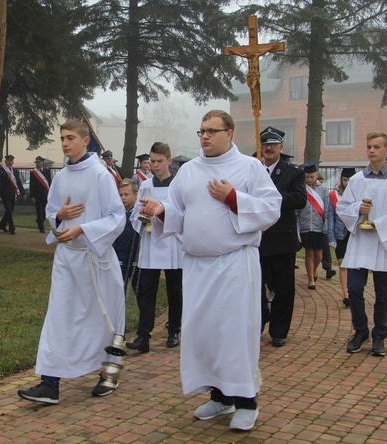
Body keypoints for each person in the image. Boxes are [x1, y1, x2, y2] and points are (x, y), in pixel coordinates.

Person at [139, 110, 281, 432]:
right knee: (203, 333)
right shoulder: (189, 171)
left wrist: (233, 198)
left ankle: (246, 400)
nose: (205, 136)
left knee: (233, 333)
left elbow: (272, 208)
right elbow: (177, 209)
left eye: (212, 131)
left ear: (230, 133)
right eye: (201, 131)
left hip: (233, 262)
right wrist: (161, 210)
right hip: (197, 266)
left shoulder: (250, 167)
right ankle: (220, 397)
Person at [17, 120, 126, 405]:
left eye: (70, 138)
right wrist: (62, 216)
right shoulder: (61, 177)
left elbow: (117, 218)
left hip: (95, 258)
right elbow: (52, 214)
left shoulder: (101, 175)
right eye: (62, 138)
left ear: (85, 141)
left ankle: (109, 373)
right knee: (59, 316)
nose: (65, 143)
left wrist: (84, 230)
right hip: (67, 258)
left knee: (104, 317)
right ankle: (49, 384)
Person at [336, 131, 387, 357]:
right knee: (355, 288)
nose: (372, 151)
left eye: (377, 147)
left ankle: (380, 335)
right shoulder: (358, 179)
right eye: (369, 146)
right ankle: (361, 331)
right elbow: (343, 206)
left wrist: (379, 223)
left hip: (382, 243)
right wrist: (357, 210)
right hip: (361, 241)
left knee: (383, 294)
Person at [126, 142, 184, 352]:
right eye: (152, 162)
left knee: (175, 290)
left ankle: (174, 330)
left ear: (169, 161)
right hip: (151, 242)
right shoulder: (145, 185)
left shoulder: (178, 185)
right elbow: (135, 214)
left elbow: (183, 214)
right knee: (146, 290)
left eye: (160, 161)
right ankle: (143, 336)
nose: (155, 166)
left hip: (173, 243)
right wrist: (142, 216)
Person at [258, 126, 306, 348]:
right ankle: (258, 321)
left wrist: (271, 197)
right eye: (265, 144)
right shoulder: (253, 168)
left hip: (281, 240)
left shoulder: (292, 173)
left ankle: (279, 330)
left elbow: (299, 200)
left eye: (273, 145)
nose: (269, 148)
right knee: (254, 287)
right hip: (256, 239)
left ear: (281, 147)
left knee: (283, 289)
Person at [326, 167, 356, 307]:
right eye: (345, 180)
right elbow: (330, 216)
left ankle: (354, 290)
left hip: (354, 233)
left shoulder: (359, 195)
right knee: (342, 264)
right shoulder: (333, 195)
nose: (347, 182)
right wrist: (331, 236)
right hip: (339, 234)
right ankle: (346, 294)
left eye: (350, 180)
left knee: (353, 265)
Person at [299, 161, 328, 289]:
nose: (309, 179)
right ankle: (311, 279)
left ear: (316, 175)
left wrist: (326, 225)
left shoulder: (323, 190)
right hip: (306, 226)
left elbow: (327, 209)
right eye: (306, 177)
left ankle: (315, 269)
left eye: (311, 177)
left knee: (319, 255)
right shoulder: (301, 189)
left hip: (319, 226)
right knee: (309, 253)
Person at [112, 179, 140, 294]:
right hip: (119, 259)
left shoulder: (141, 212)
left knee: (141, 293)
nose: (123, 197)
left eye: (126, 194)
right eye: (120, 195)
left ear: (136, 195)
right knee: (118, 293)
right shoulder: (116, 213)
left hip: (137, 261)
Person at [0, 154, 26, 234]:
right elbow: (0, 175)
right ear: (6, 161)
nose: (10, 162)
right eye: (9, 160)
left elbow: (19, 183)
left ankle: (2, 225)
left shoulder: (15, 171)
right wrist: (6, 175)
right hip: (5, 193)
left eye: (11, 161)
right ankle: (12, 228)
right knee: (9, 210)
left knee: (10, 210)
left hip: (12, 193)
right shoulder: (2, 169)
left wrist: (23, 193)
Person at [29, 156, 52, 233]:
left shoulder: (47, 171)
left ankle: (39, 221)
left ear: (42, 163)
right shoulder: (33, 172)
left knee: (46, 212)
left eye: (39, 162)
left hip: (46, 194)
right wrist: (32, 196)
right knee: (39, 211)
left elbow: (50, 182)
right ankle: (41, 228)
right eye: (36, 162)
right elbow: (31, 184)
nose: (37, 164)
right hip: (38, 195)